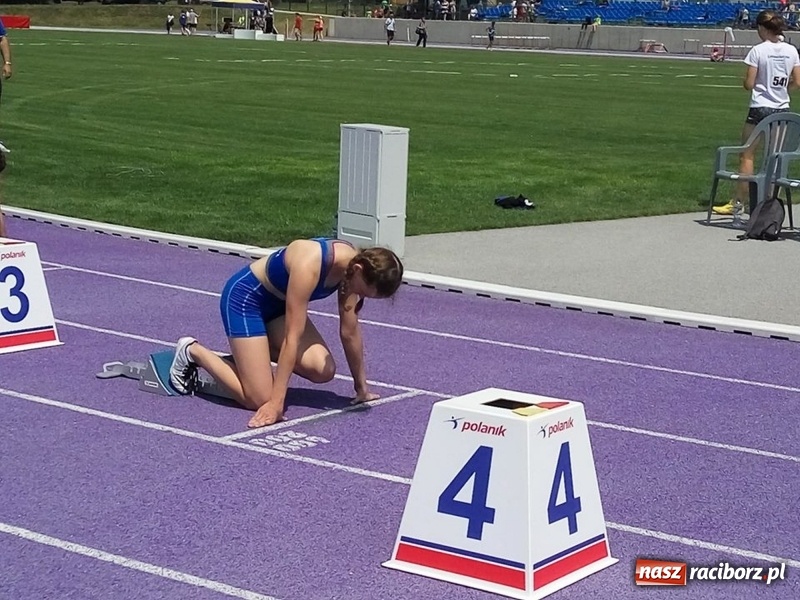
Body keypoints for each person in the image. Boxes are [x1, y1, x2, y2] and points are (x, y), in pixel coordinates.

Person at [169, 238, 404, 428]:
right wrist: (275, 403)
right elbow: (293, 336)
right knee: (259, 398)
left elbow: (350, 331)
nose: (359, 296)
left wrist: (361, 387)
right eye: (363, 291)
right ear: (358, 269)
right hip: (246, 301)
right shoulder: (310, 263)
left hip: (278, 309)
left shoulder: (351, 274)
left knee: (323, 370)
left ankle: (251, 360)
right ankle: (192, 351)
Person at [713, 10, 800, 216]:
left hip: (760, 107)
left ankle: (739, 202)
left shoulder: (758, 50)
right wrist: (782, 90)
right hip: (781, 109)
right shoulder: (791, 50)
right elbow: (797, 81)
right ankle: (767, 204)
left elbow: (749, 83)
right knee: (774, 157)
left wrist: (755, 85)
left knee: (747, 155)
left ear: (762, 28)